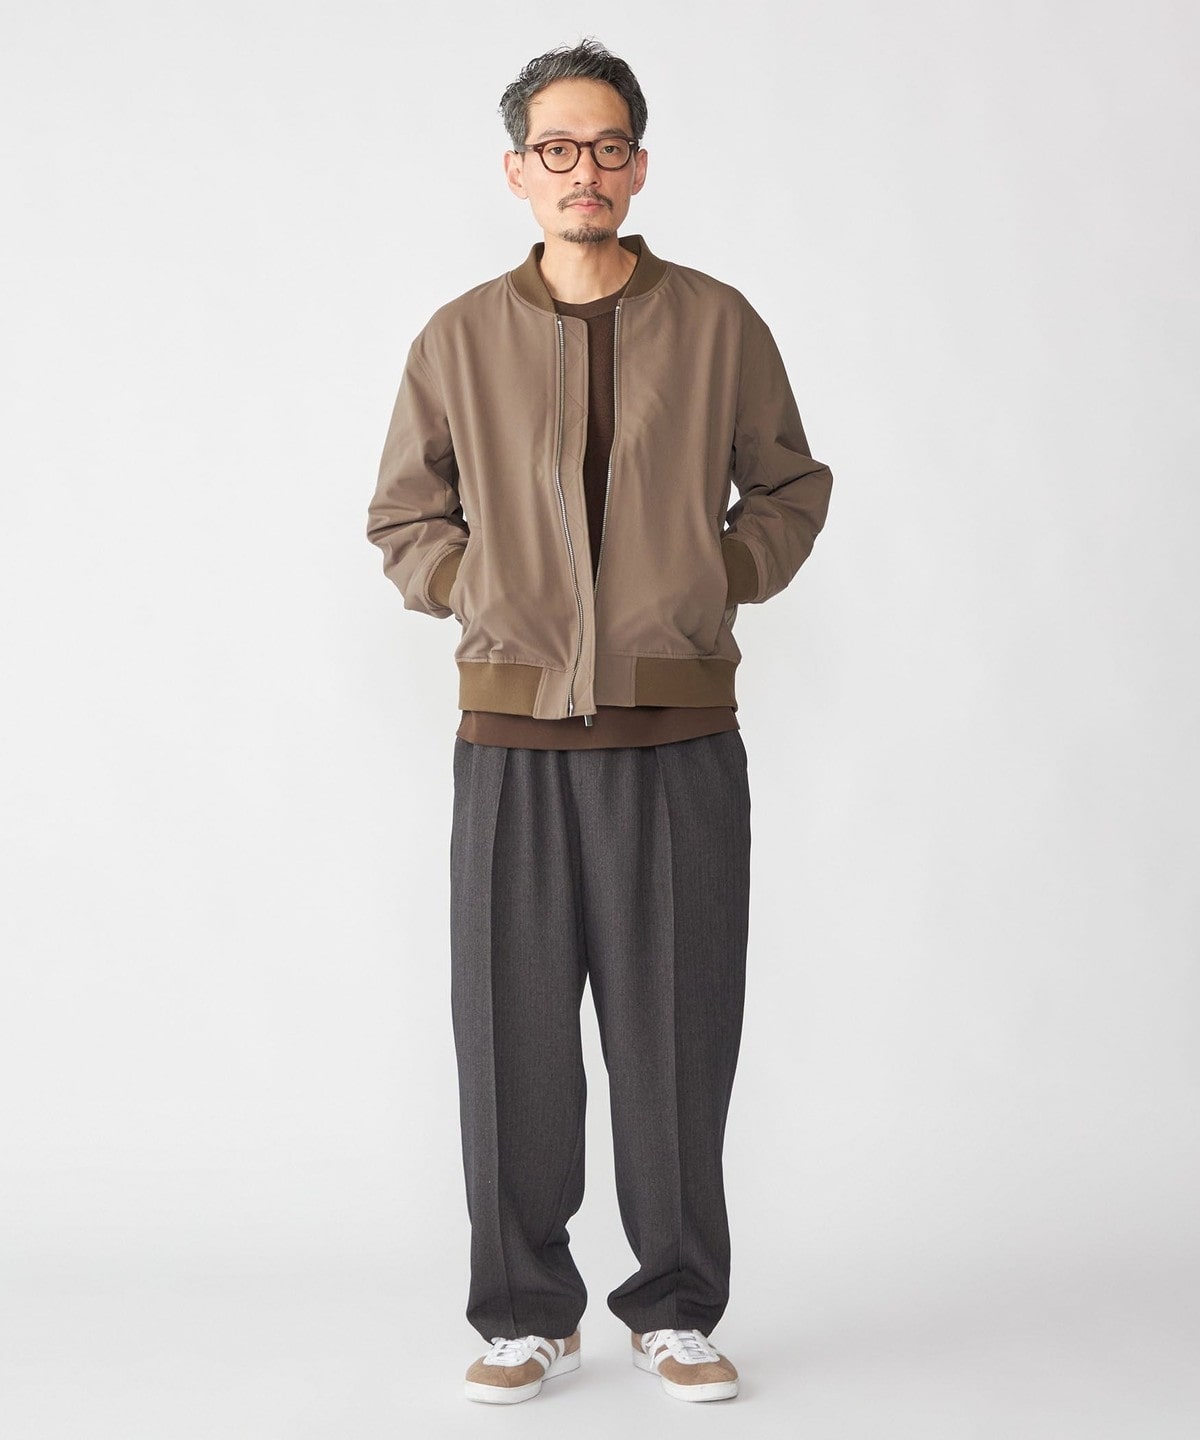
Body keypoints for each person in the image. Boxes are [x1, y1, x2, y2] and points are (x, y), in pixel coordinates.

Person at [366, 39, 832, 1406]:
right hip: (510, 744)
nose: (587, 169)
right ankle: (525, 1313)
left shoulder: (719, 324)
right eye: (559, 148)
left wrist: (709, 579)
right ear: (518, 170)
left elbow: (789, 488)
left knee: (677, 1036)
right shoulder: (458, 337)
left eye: (609, 145)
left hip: (676, 742)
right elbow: (404, 515)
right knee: (510, 1038)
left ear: (638, 164)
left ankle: (676, 1306)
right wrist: (481, 593)